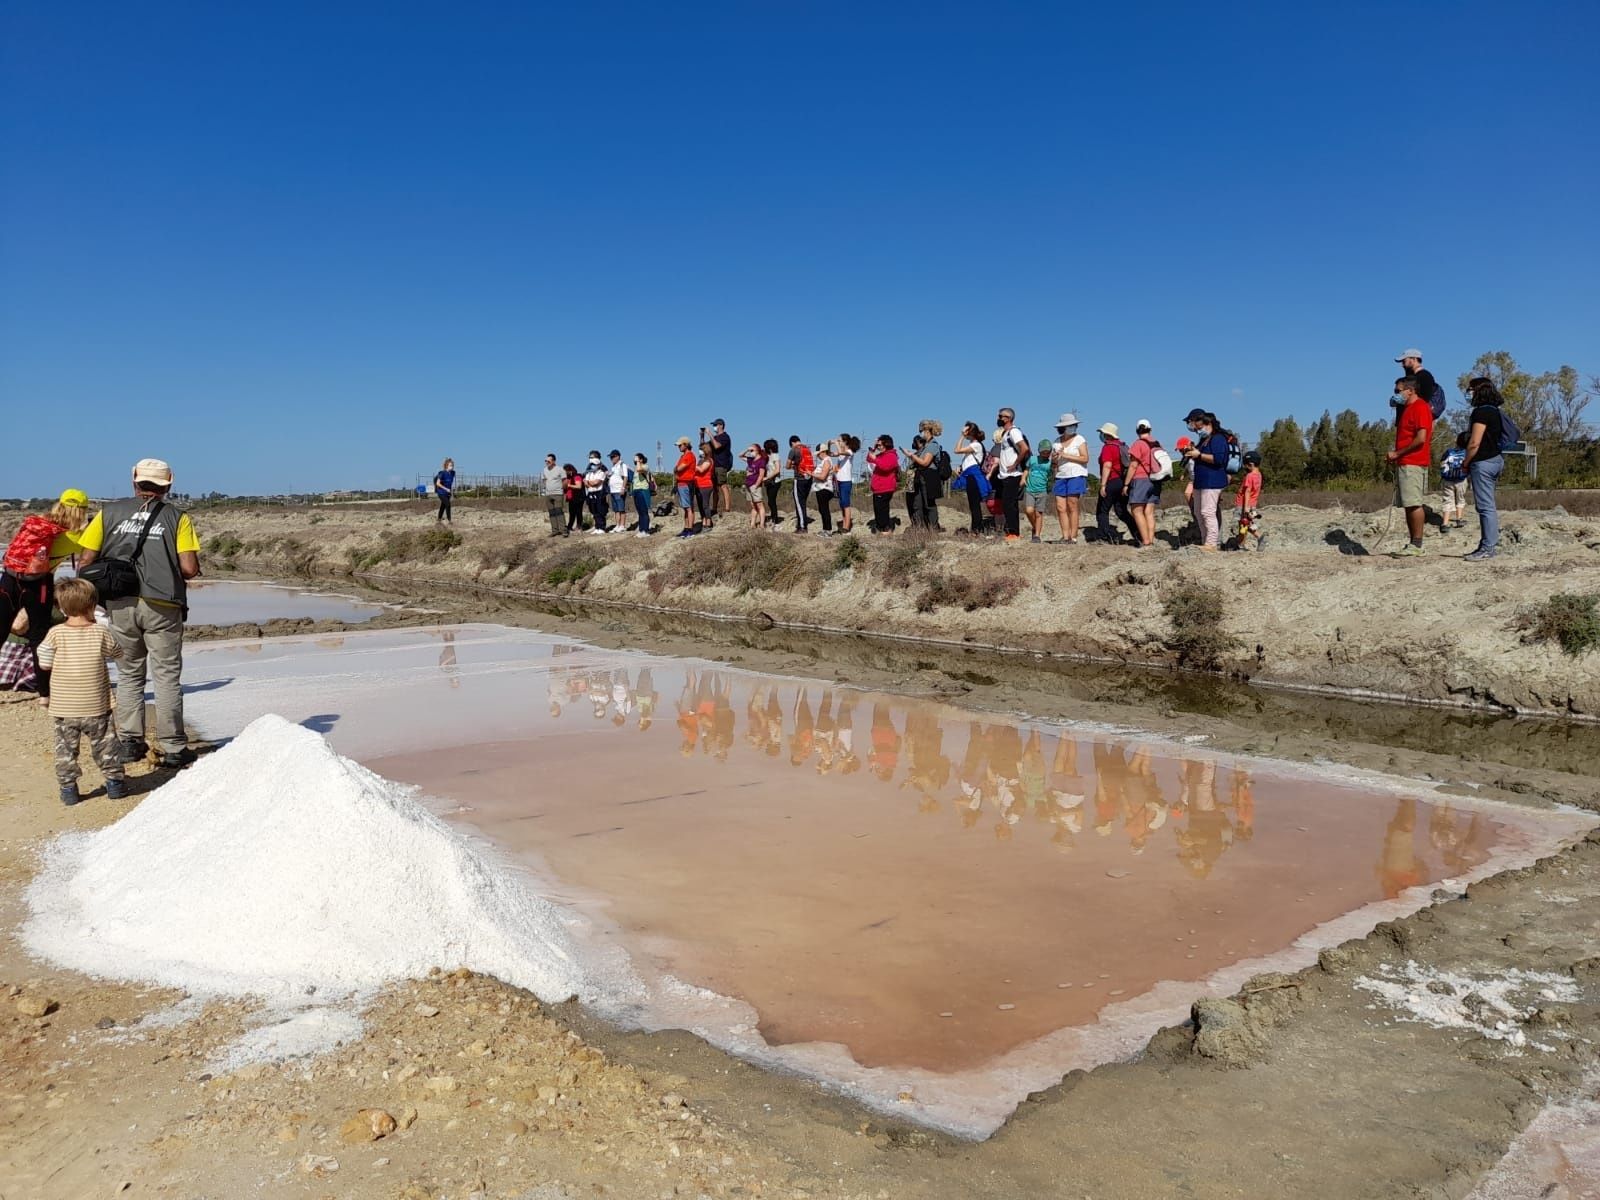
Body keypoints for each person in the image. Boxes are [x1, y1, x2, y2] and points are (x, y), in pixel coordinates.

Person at [76, 458, 202, 769]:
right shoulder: (178, 518)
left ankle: (131, 743)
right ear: (169, 484)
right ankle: (173, 746)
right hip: (163, 605)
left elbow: (85, 562)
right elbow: (189, 568)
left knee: (130, 674)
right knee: (166, 676)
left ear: (135, 481)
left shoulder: (108, 513)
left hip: (120, 604)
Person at [36, 577, 127, 805]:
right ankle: (114, 783)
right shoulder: (100, 632)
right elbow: (117, 653)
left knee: (65, 750)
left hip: (65, 708)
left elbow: (44, 661)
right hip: (97, 705)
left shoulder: (56, 633)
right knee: (106, 746)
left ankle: (68, 790)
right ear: (91, 606)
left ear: (62, 608)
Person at [1, 487, 92, 700]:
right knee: (39, 638)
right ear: (81, 510)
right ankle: (45, 694)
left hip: (9, 578)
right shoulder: (74, 536)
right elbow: (91, 550)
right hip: (38, 584)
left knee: (1, 629)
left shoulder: (38, 523)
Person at [1386, 376, 1434, 557]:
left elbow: (1421, 438)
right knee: (1408, 503)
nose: (1395, 395)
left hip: (1414, 462)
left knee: (1414, 503)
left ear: (1410, 390)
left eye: (1398, 391)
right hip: (1405, 462)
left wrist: (1398, 453)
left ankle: (1417, 545)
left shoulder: (1420, 407)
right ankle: (1413, 543)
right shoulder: (1407, 409)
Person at [1461, 377, 1508, 561]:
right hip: (1496, 459)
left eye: (1470, 389)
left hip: (1483, 462)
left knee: (1485, 506)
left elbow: (1474, 442)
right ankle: (1487, 544)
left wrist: (1465, 462)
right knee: (1489, 505)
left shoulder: (1481, 413)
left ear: (1478, 391)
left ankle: (1488, 547)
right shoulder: (1495, 411)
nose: (1468, 393)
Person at [1181, 409, 1231, 551]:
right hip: (1200, 481)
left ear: (1202, 422)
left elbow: (1218, 459)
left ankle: (1211, 543)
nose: (1193, 427)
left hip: (1212, 481)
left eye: (1193, 423)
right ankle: (1205, 541)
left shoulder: (1218, 438)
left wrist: (1199, 455)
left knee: (1208, 512)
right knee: (1198, 512)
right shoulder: (1203, 439)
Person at [1050, 414, 1089, 543]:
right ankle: (1065, 535)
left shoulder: (1080, 439)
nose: (1073, 427)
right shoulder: (1056, 441)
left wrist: (1065, 455)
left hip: (1076, 474)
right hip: (1061, 475)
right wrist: (1055, 458)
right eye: (1070, 426)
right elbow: (1054, 462)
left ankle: (1073, 536)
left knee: (1072, 504)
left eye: (1074, 425)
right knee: (1060, 506)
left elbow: (1085, 458)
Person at [1124, 420, 1163, 549]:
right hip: (1156, 479)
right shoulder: (1157, 444)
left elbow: (1133, 465)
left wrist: (1126, 484)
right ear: (1150, 429)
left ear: (1137, 431)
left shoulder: (1138, 444)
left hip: (1141, 479)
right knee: (1149, 512)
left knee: (1137, 510)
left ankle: (1145, 541)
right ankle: (1150, 540)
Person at [1094, 423, 1135, 545]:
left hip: (1111, 480)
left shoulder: (1108, 447)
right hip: (1122, 481)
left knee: (1102, 511)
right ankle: (1138, 533)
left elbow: (1107, 465)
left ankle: (1105, 537)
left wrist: (1103, 485)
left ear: (1106, 435)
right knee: (1121, 511)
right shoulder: (1122, 446)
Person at [992, 407, 1029, 542]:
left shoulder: (1014, 432)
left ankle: (1014, 533)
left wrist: (1015, 464)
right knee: (1007, 504)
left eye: (1001, 416)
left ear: (1008, 418)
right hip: (1005, 475)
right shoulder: (1005, 434)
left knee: (1010, 504)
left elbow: (1024, 448)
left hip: (1013, 475)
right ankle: (1010, 532)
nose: (999, 418)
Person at [906, 419, 943, 531]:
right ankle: (923, 528)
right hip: (921, 477)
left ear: (927, 431)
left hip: (929, 477)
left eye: (922, 431)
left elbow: (925, 462)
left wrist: (911, 456)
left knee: (929, 504)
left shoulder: (932, 445)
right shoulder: (926, 446)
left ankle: (934, 528)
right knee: (920, 504)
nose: (921, 434)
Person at [954, 421, 989, 535]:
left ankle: (976, 530)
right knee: (973, 504)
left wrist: (961, 437)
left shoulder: (976, 445)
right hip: (970, 475)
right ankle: (976, 529)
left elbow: (957, 450)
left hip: (974, 477)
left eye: (966, 430)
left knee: (974, 505)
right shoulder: (974, 445)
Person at [1396, 348, 1446, 417]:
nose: (1402, 365)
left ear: (1414, 359)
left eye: (1404, 361)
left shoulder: (1424, 376)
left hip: (1417, 420)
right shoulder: (1416, 377)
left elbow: (1424, 399)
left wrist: (1399, 399)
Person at [867, 435, 900, 534]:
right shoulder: (881, 454)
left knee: (882, 510)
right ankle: (881, 528)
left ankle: (886, 529)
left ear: (886, 444)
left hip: (885, 487)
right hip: (878, 488)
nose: (879, 447)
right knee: (878, 509)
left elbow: (885, 467)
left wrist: (875, 459)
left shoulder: (891, 455)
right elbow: (869, 459)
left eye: (880, 445)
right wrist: (873, 449)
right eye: (878, 445)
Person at [1023, 436, 1052, 543]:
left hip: (1042, 490)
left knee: (1039, 513)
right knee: (1029, 510)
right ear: (1039, 451)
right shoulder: (1032, 459)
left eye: (1048, 452)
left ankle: (1037, 535)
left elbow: (1053, 474)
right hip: (1030, 489)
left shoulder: (1049, 463)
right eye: (1044, 452)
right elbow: (1026, 469)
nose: (1046, 454)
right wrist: (1023, 478)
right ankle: (1035, 526)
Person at [1234, 450, 1265, 550]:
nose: (1245, 467)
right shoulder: (1259, 475)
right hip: (1253, 504)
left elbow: (1247, 491)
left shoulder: (1249, 476)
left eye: (1246, 465)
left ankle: (1257, 537)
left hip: (1243, 504)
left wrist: (1246, 508)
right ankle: (1241, 544)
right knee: (1246, 524)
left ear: (1250, 464)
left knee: (1243, 524)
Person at [1439, 433, 1469, 534]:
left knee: (1447, 500)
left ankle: (1445, 524)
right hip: (1461, 480)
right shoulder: (1467, 453)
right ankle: (1459, 519)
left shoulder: (1448, 452)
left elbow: (1442, 463)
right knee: (1460, 499)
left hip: (1447, 480)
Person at [672, 437, 699, 537]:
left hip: (686, 483)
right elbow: (677, 469)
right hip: (681, 483)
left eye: (680, 445)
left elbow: (679, 468)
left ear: (686, 445)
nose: (679, 447)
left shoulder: (689, 456)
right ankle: (686, 528)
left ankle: (690, 529)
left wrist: (676, 469)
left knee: (688, 508)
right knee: (685, 507)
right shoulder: (683, 456)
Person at [787, 436, 814, 533]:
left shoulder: (794, 450)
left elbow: (787, 465)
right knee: (802, 502)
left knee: (799, 503)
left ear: (792, 443)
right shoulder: (807, 449)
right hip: (809, 478)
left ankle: (802, 527)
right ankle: (800, 525)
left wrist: (793, 464)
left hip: (799, 478)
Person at [708, 419, 734, 519]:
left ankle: (727, 508)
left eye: (715, 425)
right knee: (714, 488)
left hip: (721, 465)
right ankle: (714, 508)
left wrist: (709, 434)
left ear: (721, 425)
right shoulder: (715, 437)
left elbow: (717, 446)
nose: (714, 427)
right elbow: (706, 447)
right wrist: (702, 436)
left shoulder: (725, 437)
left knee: (723, 485)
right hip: (713, 465)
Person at [835, 435, 860, 534]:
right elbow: (834, 454)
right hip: (839, 481)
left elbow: (841, 452)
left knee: (846, 504)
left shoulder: (850, 452)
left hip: (846, 481)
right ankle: (844, 523)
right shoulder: (841, 455)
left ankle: (847, 526)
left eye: (840, 441)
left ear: (845, 442)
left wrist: (836, 444)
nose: (839, 442)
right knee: (841, 504)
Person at [811, 442, 837, 535]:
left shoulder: (826, 461)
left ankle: (828, 530)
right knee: (822, 509)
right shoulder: (824, 461)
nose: (817, 456)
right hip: (820, 488)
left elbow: (823, 476)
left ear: (822, 452)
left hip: (825, 488)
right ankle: (825, 529)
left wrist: (811, 473)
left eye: (818, 453)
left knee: (824, 509)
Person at [742, 443, 770, 529]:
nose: (751, 452)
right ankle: (752, 524)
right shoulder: (750, 459)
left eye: (752, 450)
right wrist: (747, 450)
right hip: (748, 484)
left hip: (755, 485)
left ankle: (762, 524)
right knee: (753, 506)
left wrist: (756, 485)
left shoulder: (761, 461)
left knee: (759, 505)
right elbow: (740, 456)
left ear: (757, 451)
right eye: (750, 451)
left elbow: (761, 475)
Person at [583, 452, 609, 534]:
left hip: (599, 493)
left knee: (600, 510)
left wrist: (590, 483)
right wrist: (590, 483)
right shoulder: (589, 472)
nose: (590, 459)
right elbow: (585, 482)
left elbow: (596, 483)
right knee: (594, 510)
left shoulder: (601, 471)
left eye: (592, 457)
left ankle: (602, 527)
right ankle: (597, 527)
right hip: (591, 492)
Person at [541, 453, 566, 536]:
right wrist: (545, 488)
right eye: (546, 461)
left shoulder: (560, 469)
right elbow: (544, 480)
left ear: (554, 461)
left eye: (548, 461)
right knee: (551, 513)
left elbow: (564, 481)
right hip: (548, 494)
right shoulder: (544, 470)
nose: (547, 462)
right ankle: (554, 530)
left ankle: (563, 530)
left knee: (559, 511)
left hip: (558, 494)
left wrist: (562, 489)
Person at [630, 453, 654, 538]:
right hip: (636, 491)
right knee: (640, 512)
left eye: (636, 458)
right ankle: (641, 530)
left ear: (641, 459)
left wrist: (638, 462)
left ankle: (646, 530)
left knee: (644, 511)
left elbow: (640, 469)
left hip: (643, 490)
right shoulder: (635, 469)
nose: (635, 460)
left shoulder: (645, 466)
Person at [761, 437, 784, 526]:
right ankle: (773, 517)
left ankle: (775, 519)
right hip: (769, 482)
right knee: (770, 501)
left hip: (775, 481)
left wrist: (767, 478)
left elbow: (777, 470)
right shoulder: (767, 456)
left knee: (771, 500)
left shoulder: (775, 456)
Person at [694, 441, 716, 531]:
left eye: (701, 449)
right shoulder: (701, 460)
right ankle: (703, 522)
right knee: (700, 506)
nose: (700, 451)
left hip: (706, 485)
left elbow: (702, 470)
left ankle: (708, 523)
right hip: (698, 485)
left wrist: (692, 466)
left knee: (705, 505)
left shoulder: (709, 461)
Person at [606, 450, 629, 532]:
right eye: (611, 457)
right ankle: (617, 525)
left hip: (619, 490)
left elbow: (625, 477)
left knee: (621, 509)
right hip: (612, 490)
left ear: (617, 456)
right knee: (616, 509)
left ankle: (622, 525)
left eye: (613, 457)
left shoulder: (623, 465)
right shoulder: (613, 467)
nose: (611, 459)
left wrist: (623, 488)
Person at [562, 463, 585, 533]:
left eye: (565, 471)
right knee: (571, 513)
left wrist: (569, 485)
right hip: (571, 498)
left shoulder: (577, 476)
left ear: (569, 470)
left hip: (578, 497)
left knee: (578, 512)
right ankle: (570, 526)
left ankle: (579, 527)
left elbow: (579, 486)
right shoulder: (567, 478)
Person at [433, 458, 455, 523]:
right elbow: (437, 483)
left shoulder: (453, 473)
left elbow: (449, 482)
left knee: (443, 505)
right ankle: (449, 520)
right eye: (450, 465)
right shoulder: (442, 473)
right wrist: (446, 489)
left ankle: (439, 519)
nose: (452, 467)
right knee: (448, 504)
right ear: (446, 466)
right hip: (441, 492)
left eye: (452, 465)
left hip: (447, 493)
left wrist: (450, 490)